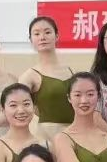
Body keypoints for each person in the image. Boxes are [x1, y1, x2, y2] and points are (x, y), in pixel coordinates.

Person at [18, 16, 75, 146]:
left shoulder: (70, 71)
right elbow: (14, 104)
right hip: (48, 138)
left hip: (73, 136)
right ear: (31, 40)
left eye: (47, 32)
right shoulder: (29, 76)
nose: (42, 37)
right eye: (37, 34)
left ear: (57, 36)